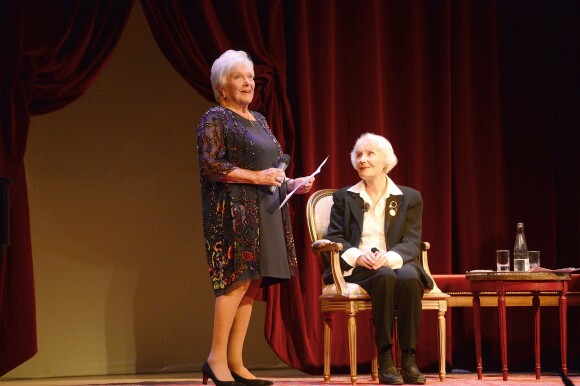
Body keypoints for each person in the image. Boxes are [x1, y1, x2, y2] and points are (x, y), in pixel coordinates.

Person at [196, 50, 314, 386]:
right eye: (239, 77)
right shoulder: (215, 118)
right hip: (233, 213)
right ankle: (215, 359)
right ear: (223, 86)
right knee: (235, 281)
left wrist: (293, 183)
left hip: (266, 210)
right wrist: (258, 178)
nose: (248, 82)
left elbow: (272, 170)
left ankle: (235, 361)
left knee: (252, 284)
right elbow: (213, 166)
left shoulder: (259, 120)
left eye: (250, 77)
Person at [324, 133, 433, 385]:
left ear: (385, 160)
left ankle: (408, 358)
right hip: (359, 266)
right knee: (383, 277)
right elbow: (336, 236)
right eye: (358, 155)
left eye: (369, 153)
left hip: (397, 262)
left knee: (407, 278)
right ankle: (385, 356)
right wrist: (359, 257)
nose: (362, 159)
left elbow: (411, 239)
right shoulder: (344, 197)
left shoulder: (410, 197)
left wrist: (389, 257)